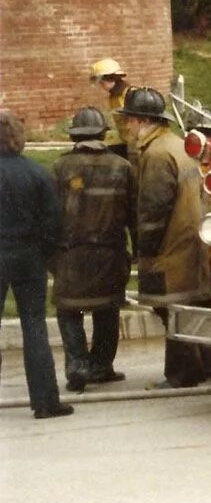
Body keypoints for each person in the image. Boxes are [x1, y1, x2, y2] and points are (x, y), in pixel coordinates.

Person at [116, 87, 211, 388]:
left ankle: (182, 374)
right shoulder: (177, 146)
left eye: (130, 120)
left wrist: (145, 249)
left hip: (169, 249)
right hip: (193, 244)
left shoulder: (157, 155)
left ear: (143, 121)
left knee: (171, 309)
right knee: (192, 308)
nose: (127, 127)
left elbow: (153, 208)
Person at [50, 106, 136, 392]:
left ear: (74, 136)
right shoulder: (122, 168)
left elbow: (49, 217)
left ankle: (77, 365)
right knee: (107, 310)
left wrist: (50, 256)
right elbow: (134, 216)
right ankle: (101, 366)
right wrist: (136, 252)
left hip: (71, 254)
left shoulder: (61, 168)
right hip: (110, 253)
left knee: (69, 311)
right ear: (103, 134)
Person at [0, 110, 74, 419]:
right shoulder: (37, 173)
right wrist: (42, 252)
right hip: (29, 254)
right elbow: (54, 222)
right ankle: (45, 401)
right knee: (35, 326)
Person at [89, 58, 135, 159]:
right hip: (128, 144)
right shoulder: (113, 97)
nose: (101, 86)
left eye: (102, 82)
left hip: (139, 146)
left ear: (111, 78)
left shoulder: (131, 94)